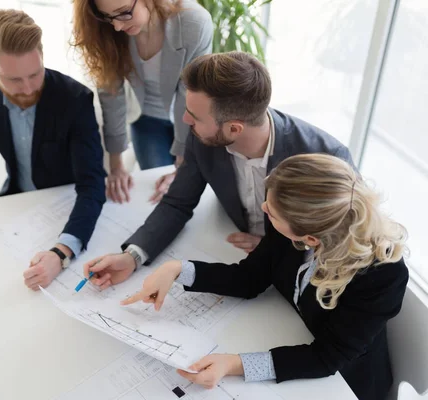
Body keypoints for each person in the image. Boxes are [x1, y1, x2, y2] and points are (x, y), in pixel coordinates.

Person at [122, 154, 409, 400]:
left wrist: (236, 364)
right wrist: (176, 270)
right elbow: (249, 278)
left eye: (270, 212)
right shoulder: (290, 223)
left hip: (343, 383)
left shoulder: (382, 276)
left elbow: (326, 357)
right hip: (290, 332)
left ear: (310, 237)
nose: (263, 209)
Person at [84, 51, 355, 289]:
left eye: (195, 116)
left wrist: (278, 250)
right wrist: (132, 256)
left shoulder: (328, 157)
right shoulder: (204, 137)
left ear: (234, 128)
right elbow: (177, 202)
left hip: (291, 280)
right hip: (231, 254)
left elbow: (342, 241)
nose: (184, 119)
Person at [0, 9, 106, 372]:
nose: (28, 89)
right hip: (18, 192)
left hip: (66, 202)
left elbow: (93, 185)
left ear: (43, 58)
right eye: (14, 80)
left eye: (35, 74)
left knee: (49, 279)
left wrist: (61, 251)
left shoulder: (75, 100)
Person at [71, 0, 213, 203]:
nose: (117, 26)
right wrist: (116, 166)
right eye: (108, 17)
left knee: (186, 188)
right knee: (154, 191)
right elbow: (112, 95)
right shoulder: (108, 31)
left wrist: (182, 164)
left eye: (123, 13)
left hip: (190, 118)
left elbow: (189, 95)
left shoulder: (194, 22)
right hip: (145, 119)